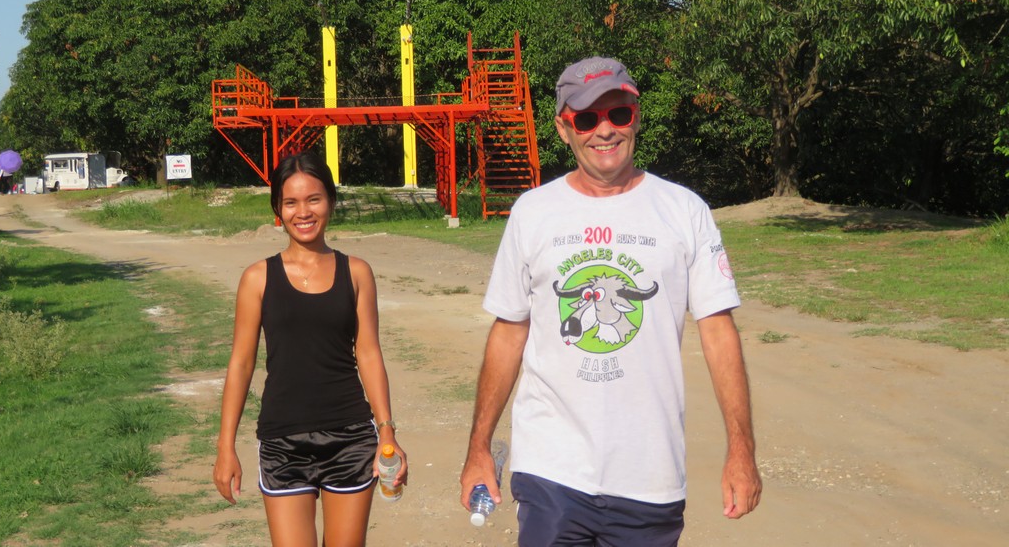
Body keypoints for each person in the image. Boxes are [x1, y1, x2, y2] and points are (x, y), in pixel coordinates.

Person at [459, 57, 761, 546]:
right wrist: (478, 447)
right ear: (563, 128)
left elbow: (718, 331)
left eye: (618, 114)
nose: (604, 130)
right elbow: (509, 331)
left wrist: (742, 451)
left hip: (650, 475)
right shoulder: (533, 213)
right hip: (551, 469)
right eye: (586, 118)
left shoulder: (684, 211)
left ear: (636, 117)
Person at [214, 151, 406, 547]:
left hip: (350, 438)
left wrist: (386, 431)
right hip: (282, 442)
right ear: (277, 209)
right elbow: (241, 363)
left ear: (331, 202)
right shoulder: (257, 278)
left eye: (314, 199)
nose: (303, 212)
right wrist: (225, 446)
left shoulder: (357, 272)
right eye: (291, 202)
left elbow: (369, 353)